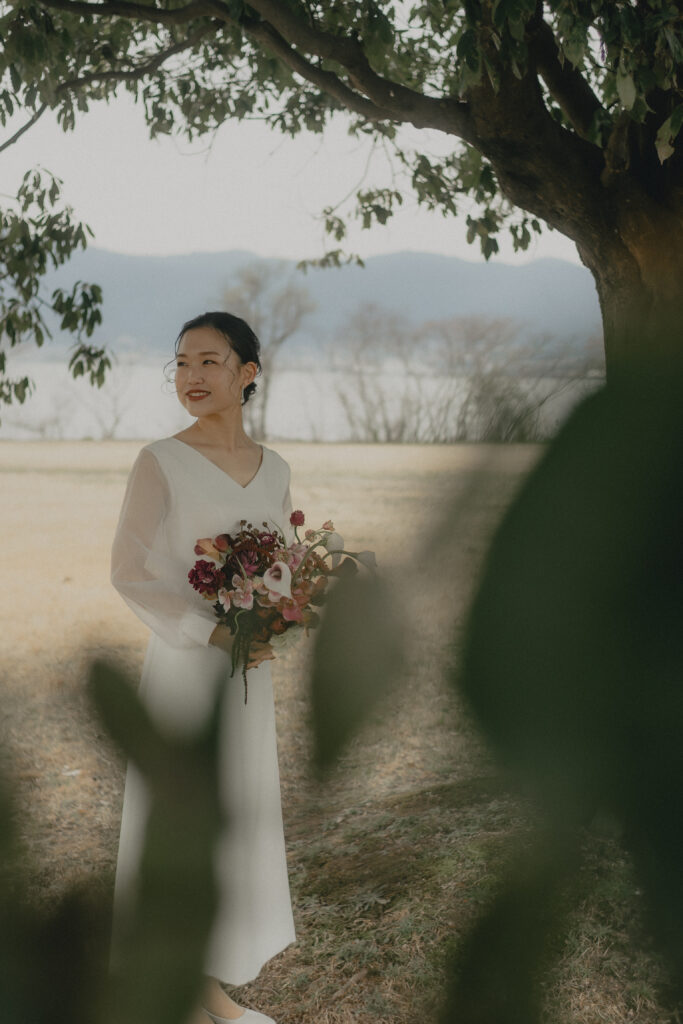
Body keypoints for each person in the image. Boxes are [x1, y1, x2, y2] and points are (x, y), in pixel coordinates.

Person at [110, 311, 295, 1024]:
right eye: (181, 362)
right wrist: (211, 631)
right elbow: (130, 571)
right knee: (181, 821)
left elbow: (283, 569)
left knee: (234, 818)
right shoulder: (159, 460)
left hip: (250, 676)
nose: (191, 376)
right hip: (189, 664)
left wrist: (281, 614)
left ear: (248, 373)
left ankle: (207, 992)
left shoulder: (274, 468)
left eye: (209, 362)